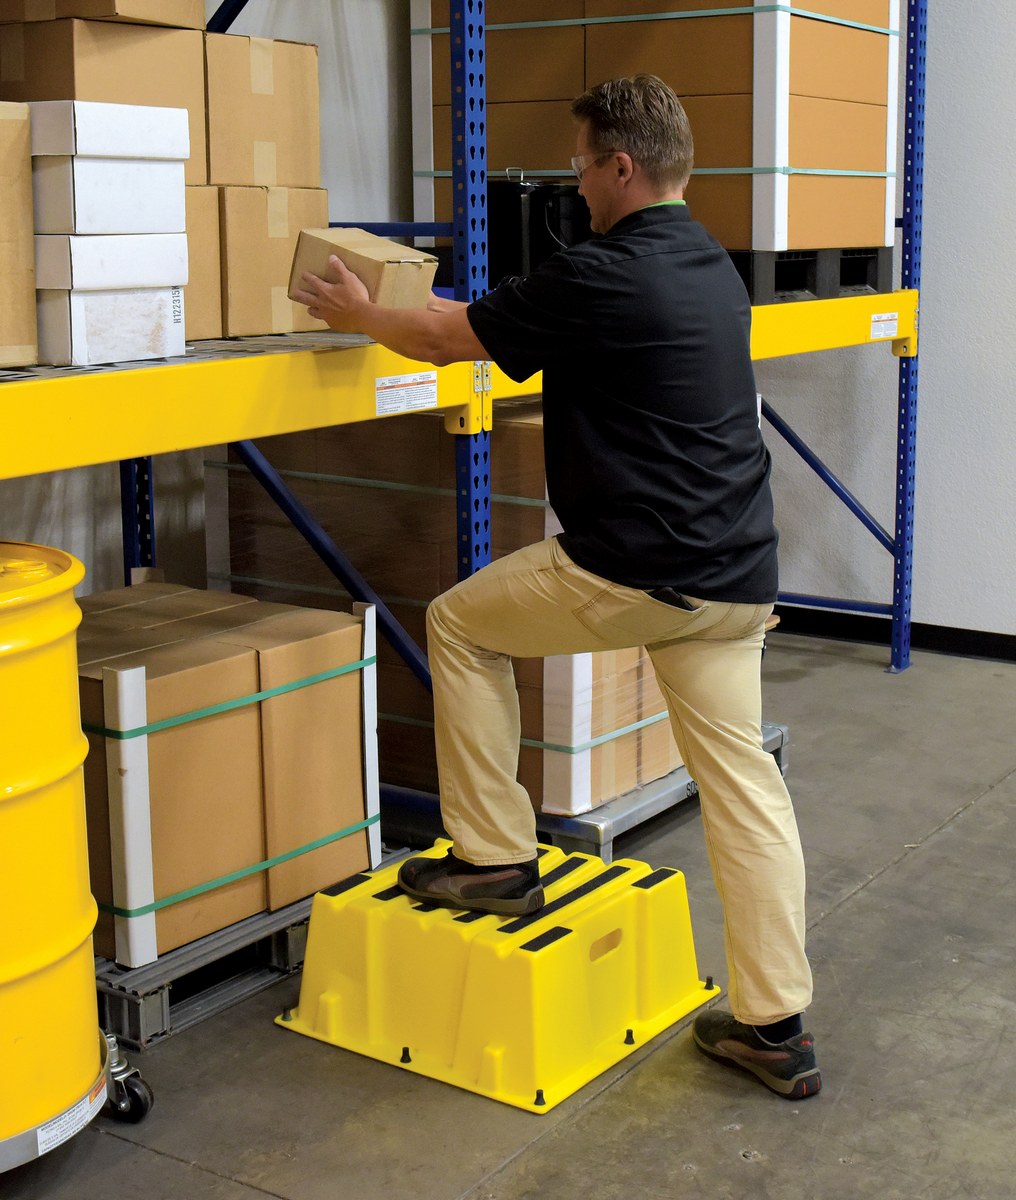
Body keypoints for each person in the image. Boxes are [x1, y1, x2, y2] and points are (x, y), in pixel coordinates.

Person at [292, 74, 819, 1101]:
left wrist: (359, 310)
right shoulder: (708, 264)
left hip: (640, 568)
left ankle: (493, 858)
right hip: (735, 575)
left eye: (580, 166)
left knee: (459, 624)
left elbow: (445, 340)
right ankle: (774, 1025)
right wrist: (410, 301)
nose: (574, 185)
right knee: (745, 794)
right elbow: (486, 318)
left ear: (620, 166)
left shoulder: (604, 272)